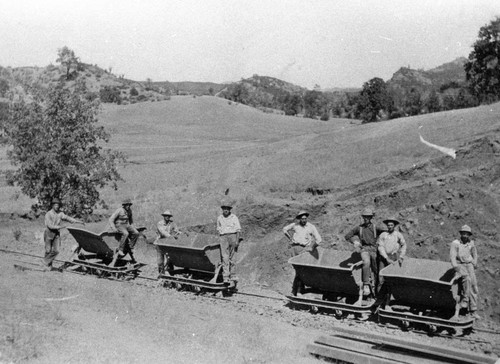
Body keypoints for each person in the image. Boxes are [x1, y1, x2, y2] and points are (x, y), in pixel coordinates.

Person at [344, 208, 386, 296]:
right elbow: (347, 236)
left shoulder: (375, 227)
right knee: (366, 262)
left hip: (374, 249)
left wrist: (383, 241)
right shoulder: (359, 228)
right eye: (365, 217)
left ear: (371, 218)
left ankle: (377, 292)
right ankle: (366, 284)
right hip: (364, 249)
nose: (366, 218)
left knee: (376, 270)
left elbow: (386, 232)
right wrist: (354, 241)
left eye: (368, 217)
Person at [283, 210, 322, 296]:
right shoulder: (295, 226)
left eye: (305, 218)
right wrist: (290, 238)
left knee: (301, 270)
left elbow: (319, 240)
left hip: (304, 250)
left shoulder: (311, 227)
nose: (304, 220)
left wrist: (312, 247)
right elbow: (285, 229)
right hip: (295, 248)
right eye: (302, 219)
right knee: (297, 269)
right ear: (299, 219)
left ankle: (298, 290)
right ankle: (298, 290)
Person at [43, 198, 84, 270]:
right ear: (52, 205)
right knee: (48, 250)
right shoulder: (48, 214)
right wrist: (61, 227)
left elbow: (68, 218)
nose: (57, 206)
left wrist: (78, 221)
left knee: (56, 250)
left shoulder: (60, 214)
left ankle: (44, 262)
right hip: (49, 233)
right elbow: (50, 226)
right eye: (55, 205)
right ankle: (48, 265)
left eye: (58, 205)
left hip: (56, 234)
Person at [450, 225, 480, 319]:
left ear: (469, 235)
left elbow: (475, 254)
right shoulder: (455, 243)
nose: (465, 236)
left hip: (469, 265)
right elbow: (452, 256)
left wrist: (474, 263)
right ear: (461, 234)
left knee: (474, 286)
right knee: (466, 280)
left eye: (467, 234)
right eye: (463, 233)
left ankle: (473, 310)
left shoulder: (471, 243)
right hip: (460, 265)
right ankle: (465, 301)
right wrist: (456, 267)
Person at [377, 217, 406, 300]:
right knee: (381, 278)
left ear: (394, 226)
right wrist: (386, 257)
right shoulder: (383, 235)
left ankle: (389, 299)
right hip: (384, 258)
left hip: (393, 257)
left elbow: (404, 245)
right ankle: (379, 298)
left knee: (391, 279)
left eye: (391, 225)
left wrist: (401, 256)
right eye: (388, 225)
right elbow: (380, 247)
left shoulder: (398, 235)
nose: (390, 227)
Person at [109, 198, 139, 266]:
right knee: (125, 233)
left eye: (129, 205)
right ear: (124, 205)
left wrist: (133, 228)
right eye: (127, 205)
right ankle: (120, 249)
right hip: (119, 225)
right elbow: (111, 219)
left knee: (136, 233)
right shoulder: (119, 210)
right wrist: (113, 228)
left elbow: (131, 221)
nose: (128, 206)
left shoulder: (129, 211)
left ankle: (131, 247)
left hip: (126, 225)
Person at [216, 202, 241, 285]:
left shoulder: (234, 217)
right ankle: (226, 277)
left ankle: (233, 275)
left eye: (227, 209)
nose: (225, 210)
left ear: (230, 210)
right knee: (225, 257)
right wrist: (221, 237)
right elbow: (218, 229)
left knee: (233, 256)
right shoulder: (219, 218)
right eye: (224, 209)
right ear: (222, 209)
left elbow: (238, 230)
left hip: (232, 236)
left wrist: (237, 241)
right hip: (223, 237)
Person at [154, 210, 182, 276]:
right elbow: (163, 232)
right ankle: (161, 274)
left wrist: (180, 234)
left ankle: (170, 273)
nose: (167, 217)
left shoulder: (172, 223)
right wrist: (171, 236)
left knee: (170, 259)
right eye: (166, 216)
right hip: (160, 243)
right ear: (163, 216)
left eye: (169, 216)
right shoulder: (160, 223)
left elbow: (176, 230)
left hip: (168, 243)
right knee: (160, 261)